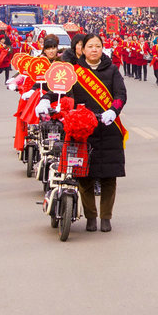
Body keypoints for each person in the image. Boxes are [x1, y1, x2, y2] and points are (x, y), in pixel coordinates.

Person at [39, 34, 126, 232]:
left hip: (109, 127)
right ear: (82, 49)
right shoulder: (74, 71)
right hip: (82, 129)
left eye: (98, 46)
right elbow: (57, 90)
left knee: (108, 177)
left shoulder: (112, 70)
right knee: (84, 175)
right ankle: (90, 216)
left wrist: (113, 110)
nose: (94, 49)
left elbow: (121, 95)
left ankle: (106, 217)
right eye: (90, 46)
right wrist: (45, 98)